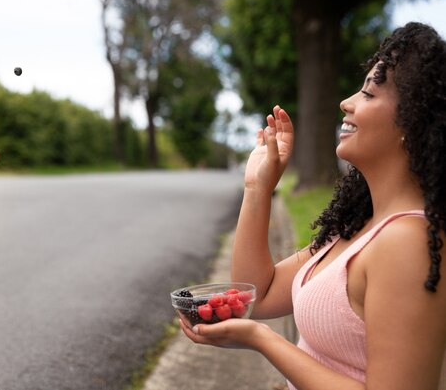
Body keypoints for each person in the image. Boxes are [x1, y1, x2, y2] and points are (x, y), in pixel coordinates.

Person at [180, 22, 446, 389]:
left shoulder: (408, 243)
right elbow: (259, 291)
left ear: (413, 120)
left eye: (368, 94)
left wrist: (263, 340)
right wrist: (258, 188)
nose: (346, 102)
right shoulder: (359, 226)